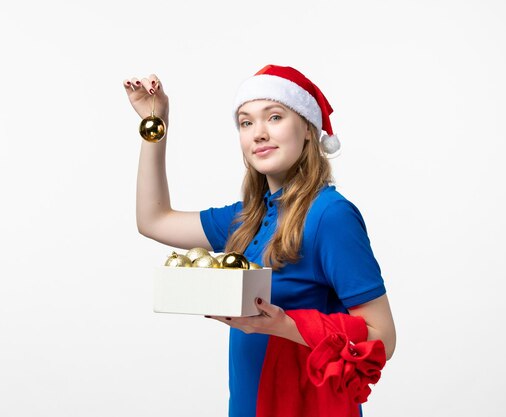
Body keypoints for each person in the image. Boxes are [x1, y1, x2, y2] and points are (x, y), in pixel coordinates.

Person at [123, 65, 396, 417]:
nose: (259, 133)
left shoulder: (331, 216)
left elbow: (383, 338)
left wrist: (283, 325)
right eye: (246, 122)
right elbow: (153, 220)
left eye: (275, 117)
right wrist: (155, 124)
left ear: (309, 130)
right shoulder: (249, 217)